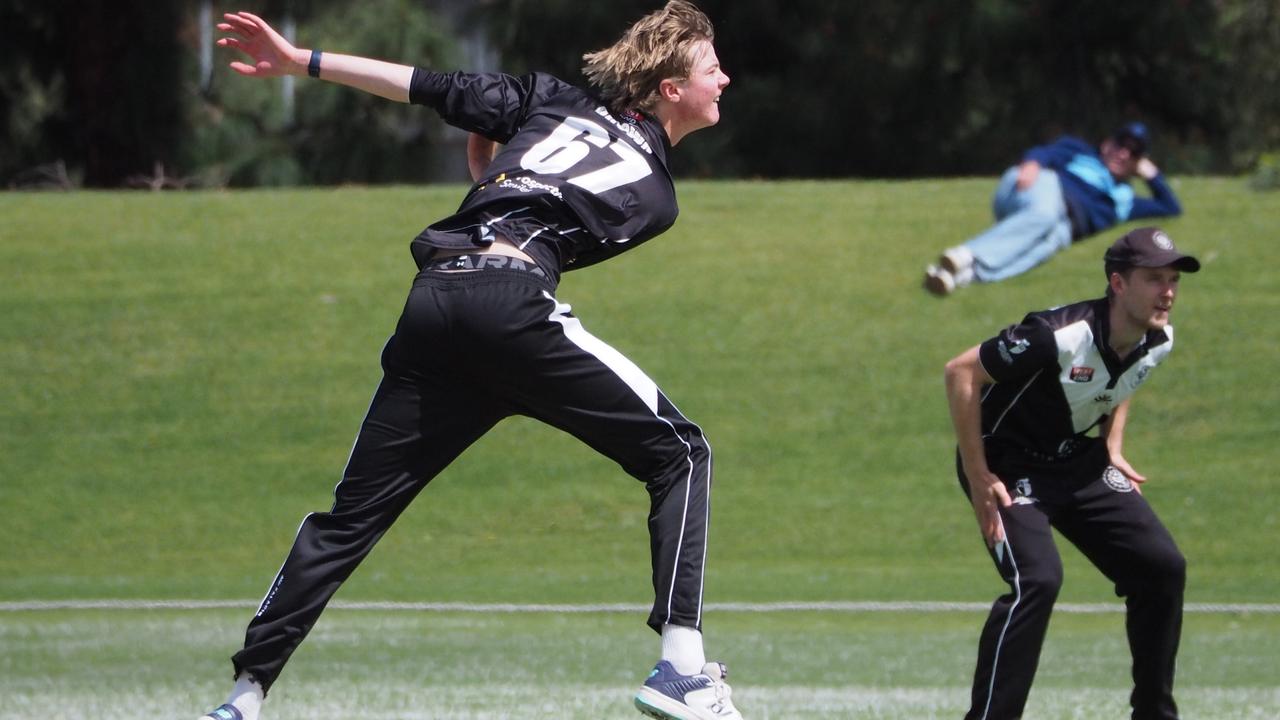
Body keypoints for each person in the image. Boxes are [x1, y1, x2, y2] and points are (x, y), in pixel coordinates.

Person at [200, 4, 742, 720]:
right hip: (509, 309)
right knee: (683, 453)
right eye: (711, 68)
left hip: (435, 303)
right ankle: (681, 670)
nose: (725, 79)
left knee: (350, 519)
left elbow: (426, 85)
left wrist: (300, 61)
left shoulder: (551, 98)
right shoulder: (657, 198)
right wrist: (501, 175)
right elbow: (556, 222)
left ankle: (244, 696)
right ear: (671, 90)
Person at [943, 226, 1199, 719]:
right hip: (1005, 462)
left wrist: (1112, 444)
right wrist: (978, 476)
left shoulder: (1158, 338)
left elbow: (1123, 378)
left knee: (1162, 568)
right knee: (1038, 580)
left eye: (1173, 279)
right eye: (1153, 278)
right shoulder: (1056, 334)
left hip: (1076, 462)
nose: (1167, 291)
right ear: (1118, 283)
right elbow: (961, 372)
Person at [925, 123, 1182, 295]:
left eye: (1134, 152)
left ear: (1138, 162)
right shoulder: (1081, 152)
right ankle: (965, 255)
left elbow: (1170, 207)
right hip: (1037, 188)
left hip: (1062, 227)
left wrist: (1151, 174)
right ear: (1106, 144)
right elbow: (1045, 152)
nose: (1123, 154)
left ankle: (959, 276)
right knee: (1046, 215)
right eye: (1120, 144)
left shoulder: (1125, 201)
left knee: (1043, 248)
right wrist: (1032, 164)